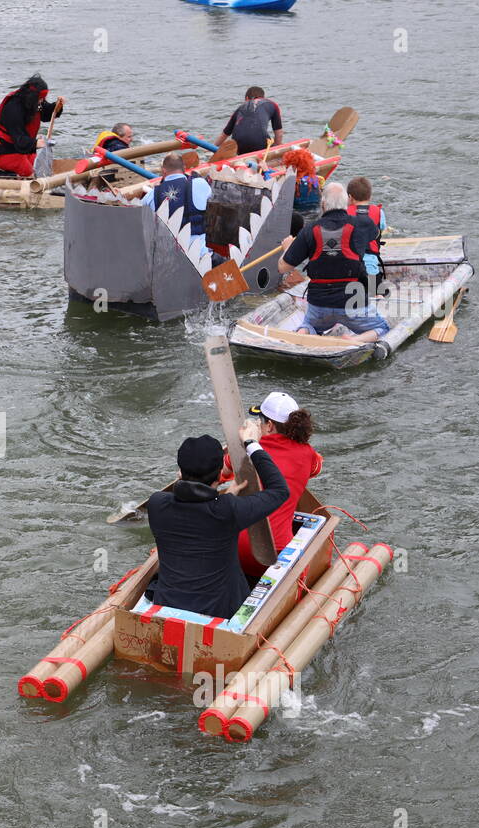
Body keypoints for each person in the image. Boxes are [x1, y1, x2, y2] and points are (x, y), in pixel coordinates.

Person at [144, 423, 290, 620]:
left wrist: (221, 499)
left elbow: (194, 513)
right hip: (220, 612)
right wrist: (251, 443)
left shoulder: (157, 504)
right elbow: (280, 490)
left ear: (180, 471)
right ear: (220, 471)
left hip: (167, 602)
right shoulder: (228, 511)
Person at [222, 392, 324, 577]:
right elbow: (316, 469)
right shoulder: (309, 455)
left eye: (260, 420)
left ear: (269, 425)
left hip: (232, 552)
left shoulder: (243, 451)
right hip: (273, 555)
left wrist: (242, 441)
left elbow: (222, 473)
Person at [278, 182, 390, 348]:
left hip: (319, 303)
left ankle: (304, 332)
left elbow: (283, 268)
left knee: (310, 324)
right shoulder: (361, 224)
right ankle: (354, 340)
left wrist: (287, 249)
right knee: (382, 327)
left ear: (323, 204)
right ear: (347, 203)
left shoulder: (309, 229)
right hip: (352, 301)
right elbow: (375, 234)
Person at [0, 74, 65, 178]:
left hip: (22, 148)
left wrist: (57, 106)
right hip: (2, 150)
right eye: (40, 98)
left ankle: (10, 172)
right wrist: (36, 143)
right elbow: (19, 139)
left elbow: (46, 115)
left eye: (43, 98)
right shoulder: (13, 108)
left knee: (39, 168)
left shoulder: (35, 102)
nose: (42, 101)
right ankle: (2, 173)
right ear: (33, 96)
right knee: (29, 173)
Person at [215, 86, 283, 156]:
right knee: (273, 144)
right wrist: (277, 150)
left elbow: (224, 135)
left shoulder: (239, 108)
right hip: (259, 144)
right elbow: (279, 134)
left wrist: (211, 149)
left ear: (247, 98)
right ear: (263, 97)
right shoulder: (272, 104)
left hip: (238, 146)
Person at [346, 176, 387, 279]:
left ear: (350, 197)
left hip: (350, 268)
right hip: (371, 268)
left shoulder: (344, 213)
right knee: (374, 293)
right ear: (370, 197)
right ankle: (377, 294)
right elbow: (381, 228)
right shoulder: (379, 212)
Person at [272, 146, 320, 213]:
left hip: (296, 215)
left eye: (288, 166)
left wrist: (266, 171)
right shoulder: (315, 180)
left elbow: (274, 188)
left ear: (294, 167)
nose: (286, 168)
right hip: (315, 213)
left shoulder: (293, 183)